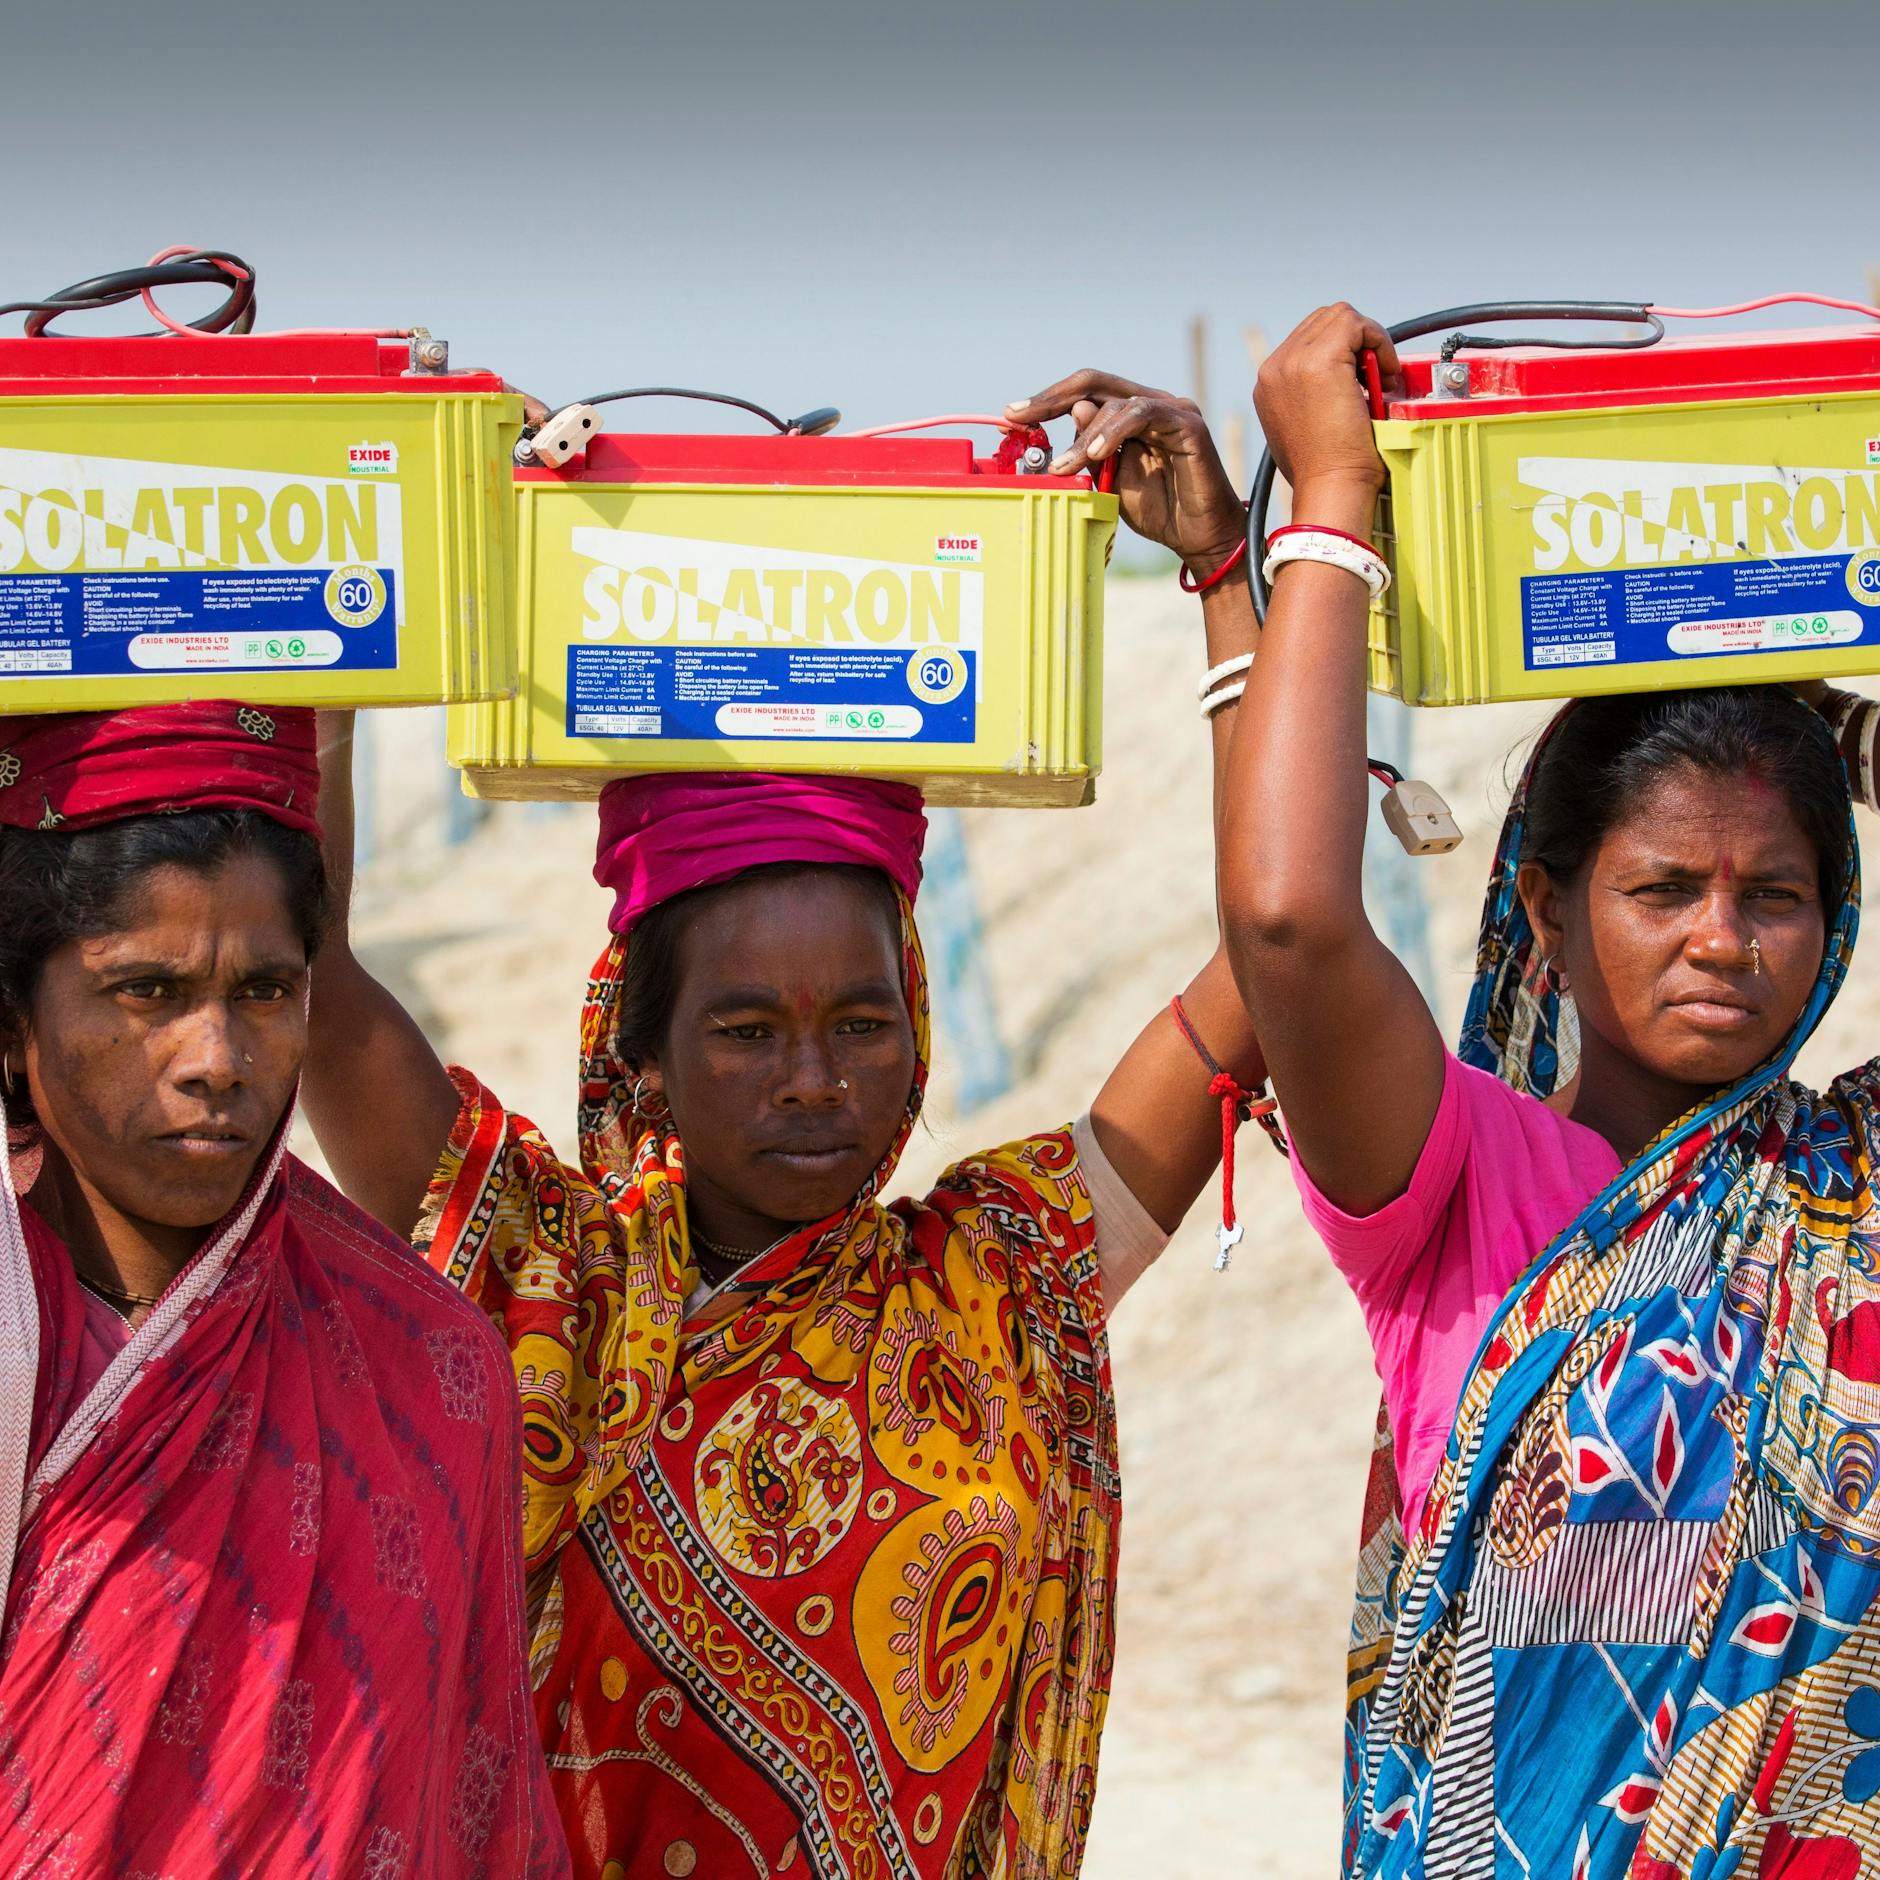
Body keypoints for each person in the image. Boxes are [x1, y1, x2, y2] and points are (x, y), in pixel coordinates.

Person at [301, 394, 1272, 1880]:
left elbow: (1274, 958)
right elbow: (307, 975)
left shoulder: (1002, 1278)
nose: (815, 1080)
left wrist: (1221, 576)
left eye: (862, 1026)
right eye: (747, 1032)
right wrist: (361, 564)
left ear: (919, 1022)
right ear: (649, 1050)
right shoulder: (543, 1276)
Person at [1130, 301, 1880, 1875]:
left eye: (1779, 896)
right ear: (1545, 905)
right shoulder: (1457, 1179)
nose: (1723, 943)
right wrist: (1321, 510)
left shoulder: (1853, 1181)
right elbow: (1286, 916)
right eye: (1663, 888)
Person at [0, 702, 566, 1879]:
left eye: (263, 990)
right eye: (147, 991)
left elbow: (471, 1809)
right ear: (15, 1024)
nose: (216, 1056)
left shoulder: (431, 1369)